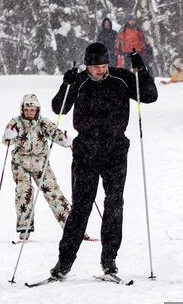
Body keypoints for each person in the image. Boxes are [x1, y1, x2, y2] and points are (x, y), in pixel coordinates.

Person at [47, 42, 158, 280]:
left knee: (114, 205)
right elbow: (59, 108)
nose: (100, 70)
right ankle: (63, 264)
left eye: (104, 65)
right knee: (80, 209)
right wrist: (65, 84)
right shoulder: (79, 81)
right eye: (95, 66)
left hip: (115, 151)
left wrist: (142, 70)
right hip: (86, 152)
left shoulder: (121, 78)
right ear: (87, 65)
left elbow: (150, 96)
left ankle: (109, 262)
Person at [2, 94, 72, 241]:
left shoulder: (43, 122)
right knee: (24, 190)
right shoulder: (16, 122)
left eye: (32, 110)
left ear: (37, 110)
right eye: (27, 110)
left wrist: (64, 140)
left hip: (41, 163)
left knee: (53, 191)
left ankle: (72, 226)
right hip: (20, 163)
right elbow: (7, 138)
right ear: (22, 110)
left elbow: (55, 133)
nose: (29, 113)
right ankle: (24, 227)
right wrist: (8, 136)